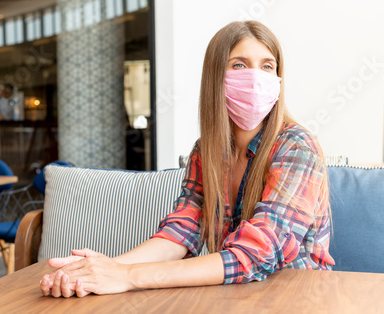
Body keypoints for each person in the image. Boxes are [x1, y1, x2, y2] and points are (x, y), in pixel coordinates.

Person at [40, 20, 335, 298]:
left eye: (267, 66)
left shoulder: (297, 147)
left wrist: (128, 277)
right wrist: (104, 270)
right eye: (239, 65)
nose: (256, 77)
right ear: (216, 76)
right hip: (236, 296)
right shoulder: (206, 151)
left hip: (298, 298)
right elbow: (181, 232)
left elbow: (259, 253)